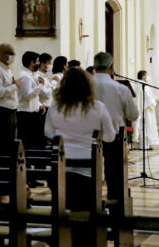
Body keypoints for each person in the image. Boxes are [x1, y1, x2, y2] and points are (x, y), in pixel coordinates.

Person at [44, 66, 115, 210]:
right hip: (89, 173)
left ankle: (63, 224)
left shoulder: (55, 106)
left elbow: (48, 133)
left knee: (64, 203)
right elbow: (110, 136)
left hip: (60, 170)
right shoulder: (98, 107)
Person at [91, 52, 138, 194]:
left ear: (94, 67)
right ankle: (115, 199)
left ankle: (91, 200)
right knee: (115, 172)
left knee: (91, 169)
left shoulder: (83, 86)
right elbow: (133, 115)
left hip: (88, 134)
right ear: (111, 67)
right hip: (115, 134)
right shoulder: (121, 88)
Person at [16, 51, 46, 149]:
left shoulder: (28, 75)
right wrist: (41, 86)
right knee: (27, 143)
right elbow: (27, 95)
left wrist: (39, 104)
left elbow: (31, 96)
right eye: (37, 61)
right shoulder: (25, 76)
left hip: (31, 113)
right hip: (26, 114)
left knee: (33, 142)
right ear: (31, 62)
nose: (39, 64)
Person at [133, 70, 159, 150]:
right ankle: (143, 145)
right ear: (143, 76)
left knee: (144, 127)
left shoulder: (140, 84)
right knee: (144, 126)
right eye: (146, 75)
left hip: (143, 108)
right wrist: (153, 102)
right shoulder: (141, 85)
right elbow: (148, 97)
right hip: (145, 109)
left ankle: (146, 145)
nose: (147, 77)